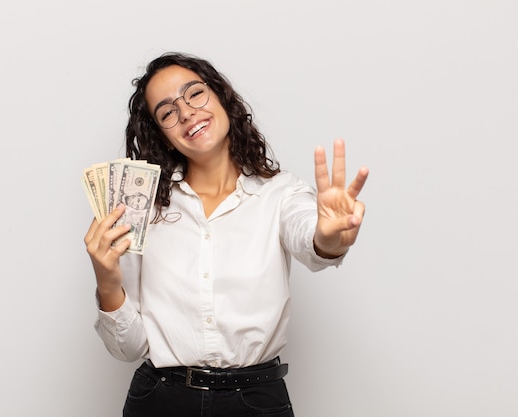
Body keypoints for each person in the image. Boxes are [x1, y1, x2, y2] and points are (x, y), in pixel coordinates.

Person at [84, 52, 369, 417]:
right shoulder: (141, 211)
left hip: (256, 401)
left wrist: (332, 238)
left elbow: (312, 240)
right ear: (163, 136)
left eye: (195, 94)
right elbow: (128, 349)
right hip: (160, 400)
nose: (186, 112)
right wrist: (108, 283)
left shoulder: (279, 194)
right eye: (168, 112)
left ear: (222, 98)